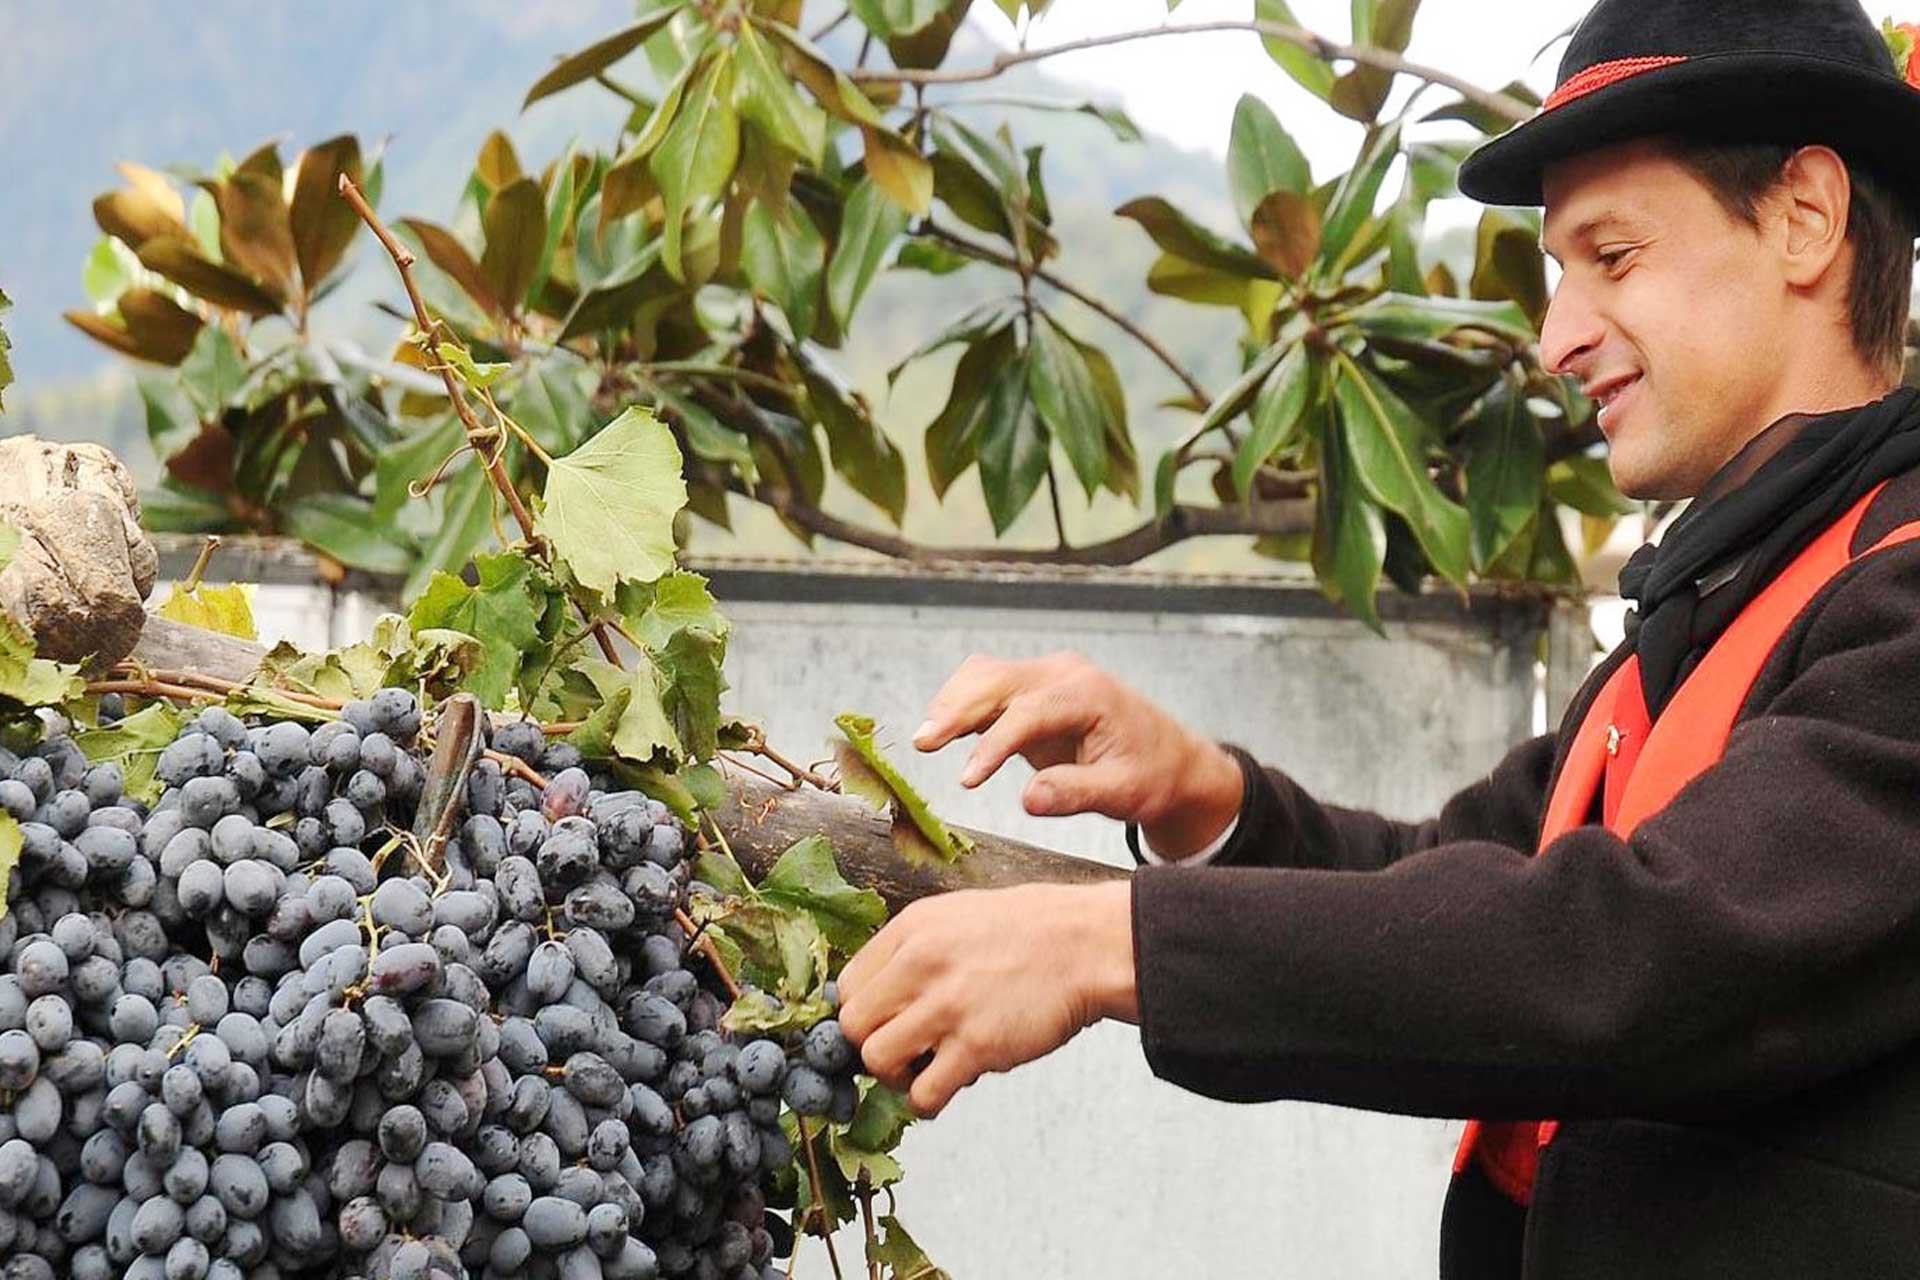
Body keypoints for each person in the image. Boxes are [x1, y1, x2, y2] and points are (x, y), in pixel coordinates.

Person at [834, 0, 1920, 1274]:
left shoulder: (1895, 606)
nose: (1555, 336)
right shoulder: (1700, 616)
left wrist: (1106, 939)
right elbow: (1454, 882)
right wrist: (1206, 796)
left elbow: (1634, 951)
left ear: (1804, 217)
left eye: (1611, 257)